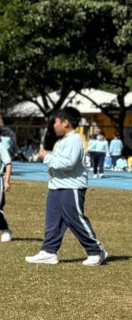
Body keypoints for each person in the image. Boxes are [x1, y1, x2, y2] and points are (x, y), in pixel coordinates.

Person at [26, 108, 107, 266]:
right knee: (53, 222)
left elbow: (68, 163)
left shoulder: (74, 139)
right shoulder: (63, 140)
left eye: (56, 122)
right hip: (57, 186)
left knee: (75, 220)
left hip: (71, 187)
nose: (54, 125)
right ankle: (49, 251)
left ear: (65, 123)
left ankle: (96, 251)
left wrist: (46, 157)